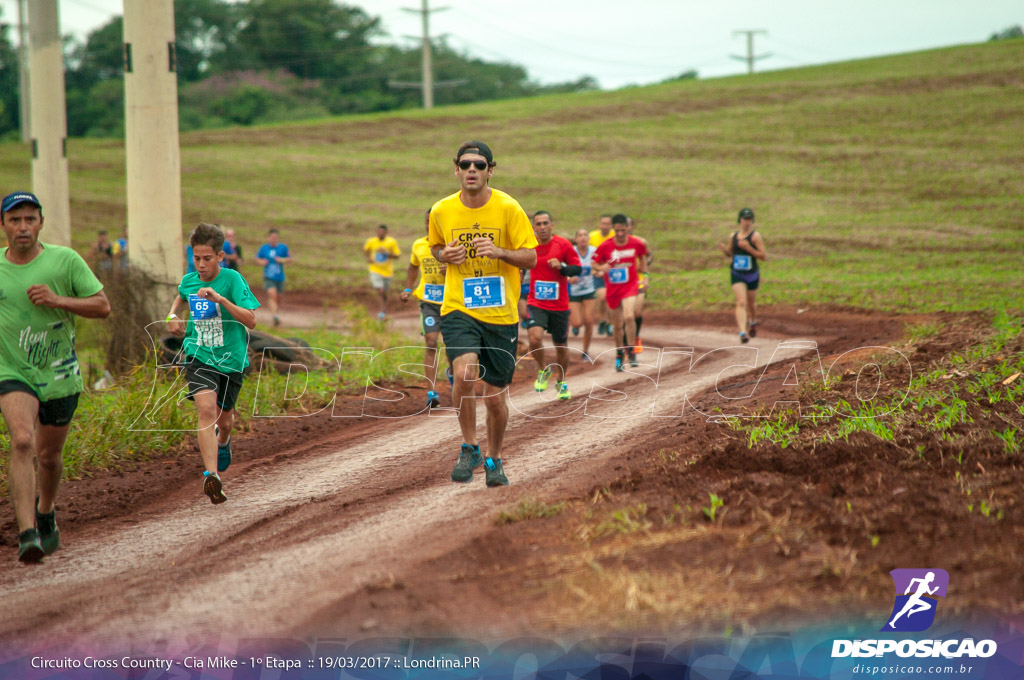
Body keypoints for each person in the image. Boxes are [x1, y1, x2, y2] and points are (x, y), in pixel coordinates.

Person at [0, 191, 111, 562]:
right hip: (12, 371)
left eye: (30, 219)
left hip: (59, 374)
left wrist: (58, 300)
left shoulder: (65, 261)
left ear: (41, 223)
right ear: (3, 226)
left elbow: (102, 306)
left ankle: (45, 509)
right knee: (20, 440)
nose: (23, 227)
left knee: (49, 457)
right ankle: (27, 533)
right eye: (15, 220)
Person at [429, 140, 537, 487]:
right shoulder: (442, 210)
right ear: (456, 169)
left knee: (494, 396)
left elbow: (531, 257)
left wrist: (500, 251)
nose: (471, 170)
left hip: (501, 313)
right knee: (464, 374)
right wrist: (444, 256)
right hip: (459, 305)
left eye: (478, 165)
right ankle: (469, 446)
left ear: (491, 169)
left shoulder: (509, 208)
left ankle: (495, 457)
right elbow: (434, 245)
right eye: (465, 165)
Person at [166, 223, 260, 505]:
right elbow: (181, 297)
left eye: (207, 258)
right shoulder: (190, 280)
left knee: (225, 419)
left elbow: (252, 320)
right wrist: (172, 316)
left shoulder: (232, 280)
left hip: (231, 358)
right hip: (199, 354)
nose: (202, 264)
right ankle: (212, 475)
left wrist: (220, 299)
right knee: (205, 410)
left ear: (220, 256)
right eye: (197, 258)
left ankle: (223, 441)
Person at [525, 211, 581, 399]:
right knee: (534, 338)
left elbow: (577, 268)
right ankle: (543, 369)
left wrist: (562, 268)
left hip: (559, 305)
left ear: (551, 225)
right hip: (536, 301)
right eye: (538, 224)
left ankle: (561, 381)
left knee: (561, 346)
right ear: (533, 227)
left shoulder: (563, 244)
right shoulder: (528, 245)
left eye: (545, 223)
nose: (542, 227)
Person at [400, 209, 448, 408]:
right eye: (427, 221)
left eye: (433, 221)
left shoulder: (450, 244)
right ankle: (432, 391)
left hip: (451, 301)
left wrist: (453, 268)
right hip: (428, 302)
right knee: (430, 342)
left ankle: (454, 377)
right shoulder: (419, 245)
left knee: (452, 345)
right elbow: (413, 267)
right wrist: (408, 288)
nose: (429, 225)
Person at [592, 213, 647, 371]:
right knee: (617, 325)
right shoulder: (606, 245)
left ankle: (631, 352)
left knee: (629, 316)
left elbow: (643, 257)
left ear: (627, 228)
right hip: (613, 288)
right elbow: (594, 263)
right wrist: (601, 268)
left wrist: (646, 276)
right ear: (613, 229)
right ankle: (619, 353)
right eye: (617, 231)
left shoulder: (636, 243)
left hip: (630, 286)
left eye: (623, 230)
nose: (621, 234)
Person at [717, 207, 767, 343]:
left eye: (749, 219)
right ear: (740, 220)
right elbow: (730, 252)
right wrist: (724, 251)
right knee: (741, 302)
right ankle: (742, 332)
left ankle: (753, 321)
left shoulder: (755, 237)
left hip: (752, 274)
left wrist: (748, 248)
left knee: (751, 303)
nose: (747, 222)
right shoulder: (733, 236)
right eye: (745, 219)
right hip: (737, 273)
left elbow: (763, 257)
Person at [568, 227, 598, 360]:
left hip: (589, 290)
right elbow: (562, 270)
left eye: (585, 235)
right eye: (580, 235)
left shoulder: (594, 251)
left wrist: (599, 272)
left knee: (589, 321)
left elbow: (600, 266)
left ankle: (585, 351)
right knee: (577, 323)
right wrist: (569, 279)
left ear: (589, 238)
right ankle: (574, 325)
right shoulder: (570, 252)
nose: (583, 238)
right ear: (576, 239)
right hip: (573, 292)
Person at [363, 224, 401, 320]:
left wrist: (387, 254)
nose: (380, 234)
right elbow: (366, 250)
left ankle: (383, 308)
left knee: (384, 292)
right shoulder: (371, 241)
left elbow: (397, 255)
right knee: (380, 290)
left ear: (386, 233)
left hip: (388, 271)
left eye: (382, 232)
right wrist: (368, 259)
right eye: (378, 232)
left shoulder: (391, 242)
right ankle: (382, 311)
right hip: (375, 269)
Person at [255, 228, 291, 326]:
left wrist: (281, 260)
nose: (274, 239)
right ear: (268, 238)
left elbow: (289, 259)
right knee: (272, 294)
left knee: (278, 297)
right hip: (268, 276)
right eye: (272, 237)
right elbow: (257, 259)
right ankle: (274, 316)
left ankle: (274, 311)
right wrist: (263, 262)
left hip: (279, 276)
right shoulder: (264, 248)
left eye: (276, 237)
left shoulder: (283, 248)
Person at [626, 216, 652, 352]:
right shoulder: (614, 244)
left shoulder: (641, 242)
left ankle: (635, 338)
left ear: (631, 227)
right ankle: (626, 346)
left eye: (628, 225)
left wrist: (645, 272)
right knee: (625, 315)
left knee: (636, 313)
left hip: (639, 279)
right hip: (622, 282)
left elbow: (648, 258)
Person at [589, 215, 614, 336]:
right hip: (597, 272)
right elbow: (590, 256)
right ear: (599, 224)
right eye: (603, 223)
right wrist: (596, 270)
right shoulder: (592, 236)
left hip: (612, 273)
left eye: (607, 224)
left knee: (611, 300)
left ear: (611, 225)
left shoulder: (615, 236)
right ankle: (603, 320)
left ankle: (609, 323)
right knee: (602, 298)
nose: (605, 226)